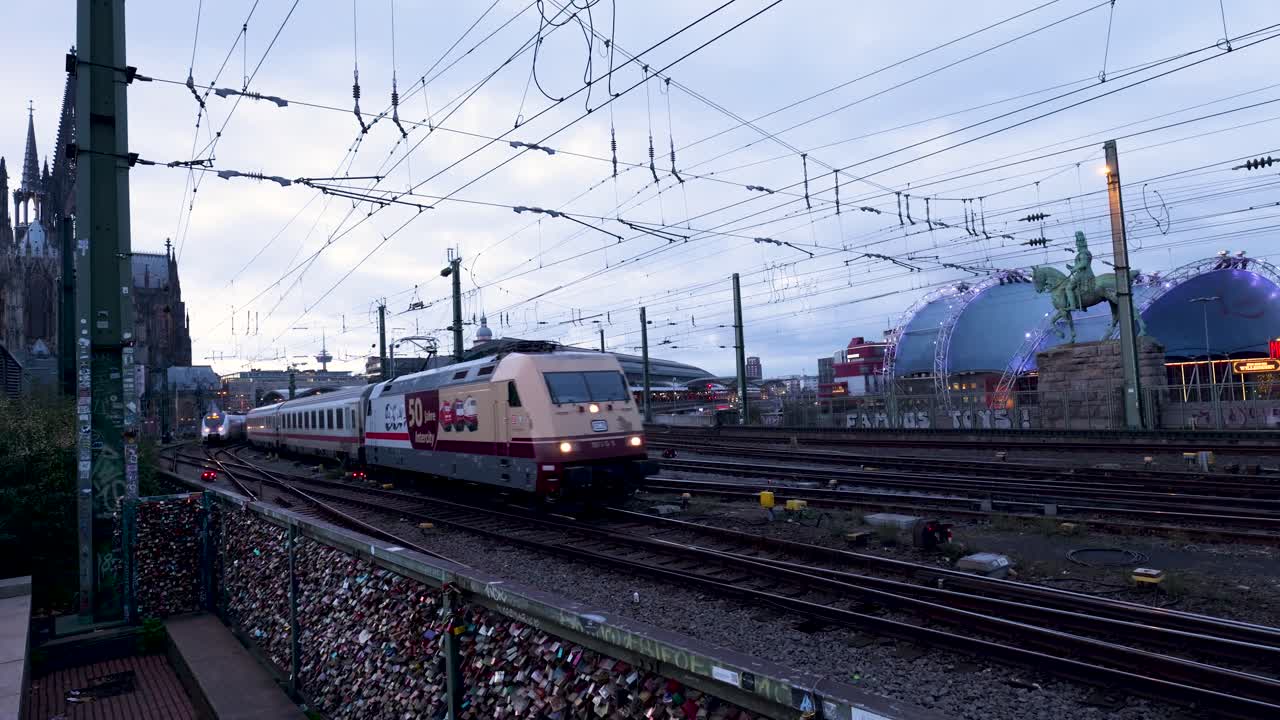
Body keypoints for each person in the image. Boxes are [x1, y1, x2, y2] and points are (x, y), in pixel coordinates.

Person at [1064, 231, 1095, 312]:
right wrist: (1072, 267)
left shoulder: (1083, 254)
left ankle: (1073, 306)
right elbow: (1080, 265)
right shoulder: (1085, 253)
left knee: (1068, 288)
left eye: (1077, 245)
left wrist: (1073, 269)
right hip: (1084, 273)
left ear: (1081, 245)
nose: (1076, 246)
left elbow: (1083, 264)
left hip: (1083, 274)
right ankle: (1082, 303)